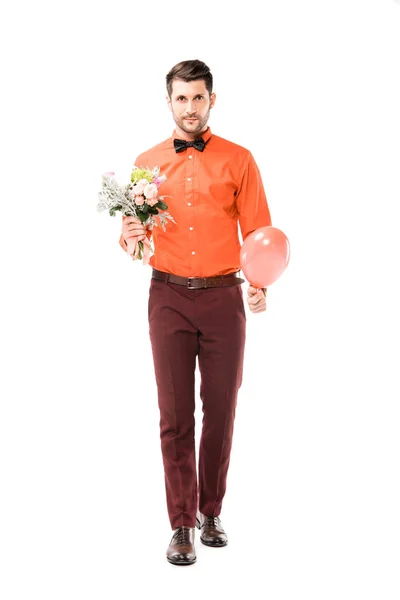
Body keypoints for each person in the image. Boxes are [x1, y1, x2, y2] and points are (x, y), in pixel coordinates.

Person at [119, 59, 272, 566]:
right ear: (169, 103)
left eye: (198, 97)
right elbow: (129, 237)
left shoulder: (240, 160)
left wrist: (260, 285)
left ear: (212, 100)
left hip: (224, 298)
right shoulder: (146, 162)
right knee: (175, 415)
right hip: (166, 298)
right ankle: (181, 523)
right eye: (181, 98)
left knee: (222, 412)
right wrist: (131, 236)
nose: (190, 107)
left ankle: (211, 512)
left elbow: (257, 236)